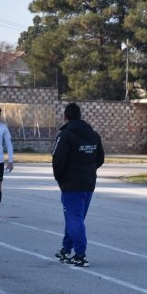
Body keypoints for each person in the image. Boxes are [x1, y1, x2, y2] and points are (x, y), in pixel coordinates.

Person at [52, 102, 104, 267]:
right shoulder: (93, 135)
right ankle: (66, 249)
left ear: (65, 117)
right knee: (76, 218)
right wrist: (88, 171)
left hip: (71, 185)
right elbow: (100, 159)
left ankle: (80, 255)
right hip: (88, 183)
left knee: (74, 219)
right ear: (80, 116)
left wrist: (61, 178)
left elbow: (58, 161)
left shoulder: (65, 135)